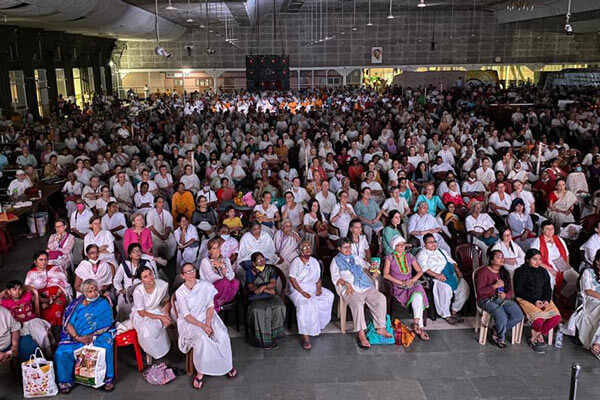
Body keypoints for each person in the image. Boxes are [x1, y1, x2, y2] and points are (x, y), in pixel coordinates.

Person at [175, 263, 237, 390]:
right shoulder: (180, 292)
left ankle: (226, 364)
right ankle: (201, 371)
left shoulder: (205, 285)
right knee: (203, 339)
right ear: (182, 276)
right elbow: (186, 315)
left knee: (222, 334)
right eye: (187, 272)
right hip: (191, 322)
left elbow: (210, 306)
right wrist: (202, 326)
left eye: (192, 270)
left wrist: (208, 323)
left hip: (207, 317)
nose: (191, 274)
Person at [54, 279, 115, 393]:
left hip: (98, 334)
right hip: (76, 336)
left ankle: (108, 379)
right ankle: (65, 381)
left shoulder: (103, 303)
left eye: (95, 289)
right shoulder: (75, 305)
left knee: (106, 347)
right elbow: (68, 324)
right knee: (61, 352)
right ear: (83, 292)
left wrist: (93, 335)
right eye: (89, 290)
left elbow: (107, 323)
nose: (93, 293)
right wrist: (77, 337)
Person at [330, 238, 391, 348]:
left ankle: (381, 328)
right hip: (349, 288)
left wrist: (375, 271)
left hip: (364, 285)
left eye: (349, 247)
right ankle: (361, 333)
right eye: (345, 247)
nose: (348, 249)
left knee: (381, 298)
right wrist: (347, 284)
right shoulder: (335, 261)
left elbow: (369, 266)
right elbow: (335, 278)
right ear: (339, 249)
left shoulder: (355, 257)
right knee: (357, 304)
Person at [514, 249, 561, 354]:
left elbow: (547, 288)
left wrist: (546, 300)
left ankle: (537, 335)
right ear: (527, 259)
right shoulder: (519, 272)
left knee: (556, 318)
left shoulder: (543, 271)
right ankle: (537, 338)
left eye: (540, 259)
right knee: (538, 320)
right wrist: (534, 301)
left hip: (542, 299)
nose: (538, 262)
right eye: (534, 259)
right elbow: (519, 291)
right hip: (525, 299)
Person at [288, 241, 334, 350]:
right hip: (297, 289)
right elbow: (292, 279)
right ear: (300, 250)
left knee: (328, 296)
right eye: (304, 247)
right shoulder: (296, 262)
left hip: (312, 286)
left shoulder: (314, 261)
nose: (307, 249)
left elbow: (318, 277)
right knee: (305, 305)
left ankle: (317, 325)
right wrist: (302, 292)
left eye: (309, 247)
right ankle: (305, 335)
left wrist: (318, 288)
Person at [474, 250, 524, 348]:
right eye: (498, 257)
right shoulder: (483, 272)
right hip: (485, 299)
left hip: (501, 299)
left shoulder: (504, 272)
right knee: (501, 314)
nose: (501, 259)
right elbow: (480, 292)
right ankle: (500, 338)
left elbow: (510, 291)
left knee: (518, 315)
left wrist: (505, 295)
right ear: (491, 260)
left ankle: (496, 330)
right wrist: (494, 286)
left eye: (502, 257)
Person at [383, 236, 430, 340]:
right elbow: (385, 275)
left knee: (418, 293)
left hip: (411, 283)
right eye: (398, 245)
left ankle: (416, 323)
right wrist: (400, 282)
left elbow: (420, 271)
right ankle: (420, 328)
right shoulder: (389, 258)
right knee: (418, 294)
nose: (401, 247)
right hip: (398, 285)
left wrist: (412, 280)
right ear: (394, 247)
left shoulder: (410, 256)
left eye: (403, 244)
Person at [417, 233, 470, 325]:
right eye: (430, 242)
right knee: (445, 289)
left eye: (434, 241)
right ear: (425, 244)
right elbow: (424, 268)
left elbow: (452, 262)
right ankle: (446, 314)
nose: (433, 244)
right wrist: (437, 275)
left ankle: (454, 309)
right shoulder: (422, 254)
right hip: (436, 277)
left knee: (464, 286)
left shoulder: (441, 251)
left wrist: (457, 271)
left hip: (450, 274)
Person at [244, 252, 286, 349]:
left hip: (272, 296)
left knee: (279, 307)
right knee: (258, 311)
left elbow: (273, 283)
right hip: (257, 297)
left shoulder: (270, 270)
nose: (262, 261)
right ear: (254, 263)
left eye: (263, 259)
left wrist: (263, 287)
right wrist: (266, 290)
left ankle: (273, 337)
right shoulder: (250, 272)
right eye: (259, 260)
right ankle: (263, 341)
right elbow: (250, 287)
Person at [0, 281, 52, 355]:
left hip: (32, 320)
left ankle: (48, 355)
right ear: (9, 292)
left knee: (43, 334)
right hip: (17, 325)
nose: (17, 292)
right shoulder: (5, 303)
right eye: (14, 289)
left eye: (19, 289)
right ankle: (36, 357)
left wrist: (47, 301)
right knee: (27, 343)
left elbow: (39, 300)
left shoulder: (27, 296)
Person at [131, 266, 172, 361]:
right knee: (147, 333)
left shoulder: (162, 285)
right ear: (141, 280)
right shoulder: (138, 291)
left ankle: (167, 349)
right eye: (145, 277)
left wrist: (166, 314)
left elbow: (167, 301)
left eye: (150, 274)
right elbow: (141, 312)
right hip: (144, 314)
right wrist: (161, 317)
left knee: (169, 320)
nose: (149, 278)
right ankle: (150, 352)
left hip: (158, 309)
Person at [531, 220, 580, 298]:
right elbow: (534, 260)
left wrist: (566, 265)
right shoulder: (537, 242)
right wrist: (550, 269)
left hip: (560, 263)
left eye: (552, 228)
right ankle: (550, 301)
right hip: (545, 265)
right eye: (547, 229)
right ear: (542, 230)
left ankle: (562, 295)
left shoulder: (559, 239)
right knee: (550, 280)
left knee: (576, 278)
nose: (550, 231)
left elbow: (566, 254)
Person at [24, 250, 72, 327]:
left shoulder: (55, 269)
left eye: (46, 259)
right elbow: (28, 290)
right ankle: (46, 332)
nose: (44, 262)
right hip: (39, 298)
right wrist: (43, 300)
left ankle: (59, 330)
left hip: (57, 295)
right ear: (35, 262)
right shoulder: (31, 273)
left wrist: (56, 295)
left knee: (56, 310)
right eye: (41, 260)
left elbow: (63, 284)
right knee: (42, 312)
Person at [113, 243, 158, 321]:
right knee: (121, 304)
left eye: (139, 251)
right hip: (126, 292)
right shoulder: (124, 265)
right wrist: (121, 289)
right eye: (134, 251)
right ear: (130, 254)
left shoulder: (146, 263)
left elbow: (153, 278)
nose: (138, 253)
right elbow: (116, 280)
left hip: (142, 292)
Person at [198, 238, 240, 311]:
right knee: (224, 282)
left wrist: (222, 266)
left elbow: (231, 277)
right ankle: (217, 304)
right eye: (214, 248)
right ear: (210, 251)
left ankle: (220, 302)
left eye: (218, 247)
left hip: (225, 291)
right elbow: (212, 278)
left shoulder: (226, 260)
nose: (217, 250)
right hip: (211, 288)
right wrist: (224, 275)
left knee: (236, 282)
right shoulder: (205, 261)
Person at [146, 196, 177, 261]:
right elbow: (151, 227)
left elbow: (168, 226)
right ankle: (156, 260)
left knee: (172, 241)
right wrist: (160, 236)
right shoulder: (151, 213)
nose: (162, 204)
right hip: (154, 233)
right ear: (155, 203)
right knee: (154, 243)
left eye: (163, 202)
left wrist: (166, 235)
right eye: (159, 202)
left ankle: (168, 258)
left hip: (165, 232)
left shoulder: (167, 213)